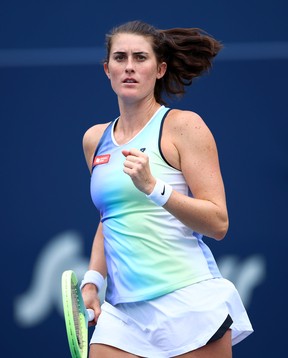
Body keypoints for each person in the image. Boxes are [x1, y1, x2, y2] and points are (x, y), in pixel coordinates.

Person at [80, 20, 253, 358]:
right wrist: (93, 281)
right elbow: (110, 217)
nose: (129, 67)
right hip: (124, 314)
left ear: (159, 69)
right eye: (120, 58)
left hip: (189, 303)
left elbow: (218, 223)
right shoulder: (94, 140)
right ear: (107, 69)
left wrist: (154, 188)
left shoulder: (184, 126)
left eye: (140, 58)